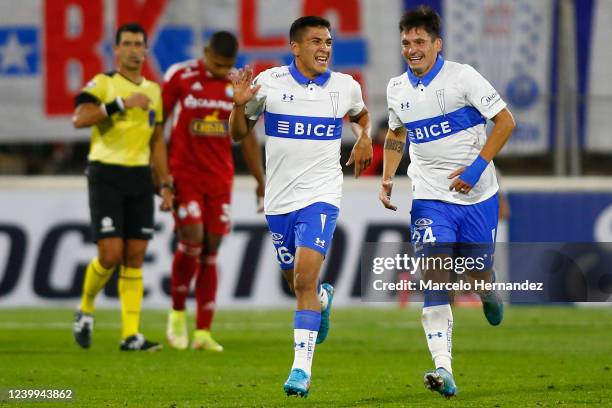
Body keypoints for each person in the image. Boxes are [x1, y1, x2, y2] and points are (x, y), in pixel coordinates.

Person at [229, 16, 372, 397]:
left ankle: (300, 371)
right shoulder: (269, 84)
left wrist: (364, 137)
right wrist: (238, 106)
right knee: (295, 282)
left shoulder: (345, 86)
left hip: (321, 194)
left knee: (305, 278)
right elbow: (238, 133)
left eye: (328, 42)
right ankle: (322, 300)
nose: (325, 48)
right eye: (315, 42)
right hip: (279, 200)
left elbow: (360, 115)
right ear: (295, 47)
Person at [379, 6, 515, 399]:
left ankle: (489, 293)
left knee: (477, 274)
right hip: (429, 196)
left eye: (419, 41)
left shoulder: (464, 77)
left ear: (437, 44)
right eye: (406, 42)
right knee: (435, 272)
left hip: (477, 195)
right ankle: (444, 368)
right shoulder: (396, 89)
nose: (412, 49)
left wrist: (475, 168)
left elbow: (506, 122)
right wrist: (389, 175)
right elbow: (396, 133)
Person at [71, 23, 174, 351]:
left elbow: (157, 141)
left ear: (145, 49)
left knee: (135, 255)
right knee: (110, 254)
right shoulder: (104, 84)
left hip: (140, 177)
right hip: (106, 173)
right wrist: (120, 105)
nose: (133, 49)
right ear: (116, 49)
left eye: (138, 44)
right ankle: (85, 307)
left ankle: (131, 335)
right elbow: (80, 117)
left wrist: (166, 183)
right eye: (127, 43)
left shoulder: (154, 90)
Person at [162, 31, 265, 352]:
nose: (222, 71)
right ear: (205, 52)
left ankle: (203, 332)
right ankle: (177, 313)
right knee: (192, 239)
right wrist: (162, 176)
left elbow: (246, 135)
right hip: (185, 175)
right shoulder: (180, 76)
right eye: (218, 64)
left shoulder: (236, 85)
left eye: (228, 65)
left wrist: (260, 179)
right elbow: (157, 126)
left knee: (211, 249)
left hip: (220, 180)